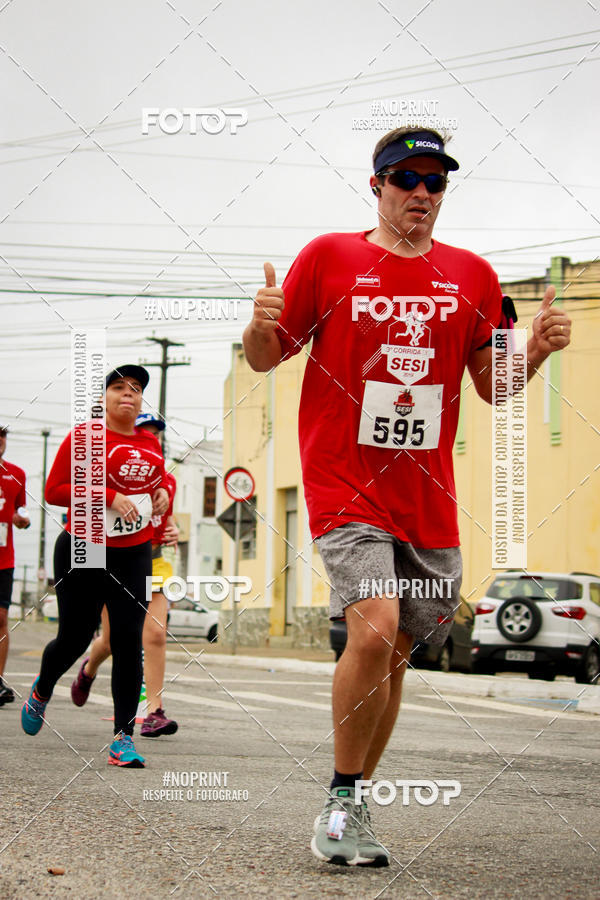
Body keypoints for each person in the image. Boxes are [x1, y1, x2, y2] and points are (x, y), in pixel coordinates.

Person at [242, 127, 572, 866]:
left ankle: (354, 801)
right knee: (373, 627)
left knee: (393, 654)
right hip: (343, 481)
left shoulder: (473, 276)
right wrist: (258, 325)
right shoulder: (330, 257)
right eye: (406, 178)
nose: (421, 192)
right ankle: (339, 801)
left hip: (425, 496)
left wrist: (537, 350)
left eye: (435, 181)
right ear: (378, 186)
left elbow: (493, 387)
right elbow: (266, 358)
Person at [21, 366, 173, 768]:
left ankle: (123, 739)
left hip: (133, 552)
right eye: (119, 387)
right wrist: (106, 496)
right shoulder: (84, 438)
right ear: (104, 398)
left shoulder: (149, 443)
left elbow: (155, 486)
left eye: (136, 389)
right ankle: (42, 688)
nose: (129, 394)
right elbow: (54, 491)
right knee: (74, 638)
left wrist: (161, 495)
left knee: (128, 642)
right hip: (83, 548)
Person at [70, 412, 180, 737]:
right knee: (113, 640)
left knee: (155, 634)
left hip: (153, 561)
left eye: (157, 433)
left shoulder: (167, 480)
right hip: (114, 560)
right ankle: (89, 669)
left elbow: (165, 519)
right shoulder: (108, 470)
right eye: (146, 431)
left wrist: (174, 531)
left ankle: (155, 711)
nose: (152, 437)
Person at [0, 425, 30, 706]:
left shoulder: (17, 474)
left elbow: (20, 510)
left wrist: (22, 519)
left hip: (4, 559)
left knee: (1, 619)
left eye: (3, 436)